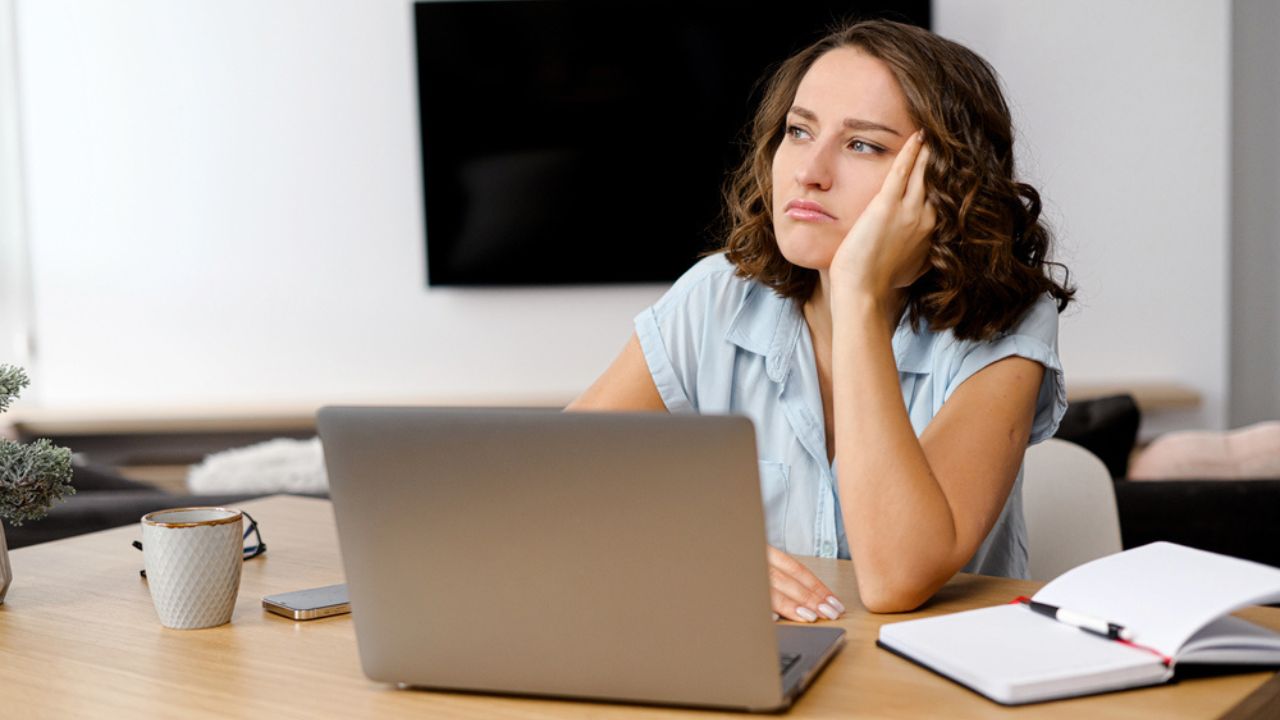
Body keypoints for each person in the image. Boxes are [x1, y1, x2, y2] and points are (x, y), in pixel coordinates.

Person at [568, 19, 1075, 618]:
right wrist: (699, 552)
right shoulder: (716, 298)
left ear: (946, 181)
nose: (810, 171)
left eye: (863, 144)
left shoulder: (1008, 325)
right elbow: (555, 482)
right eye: (800, 131)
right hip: (766, 670)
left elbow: (896, 578)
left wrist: (858, 292)